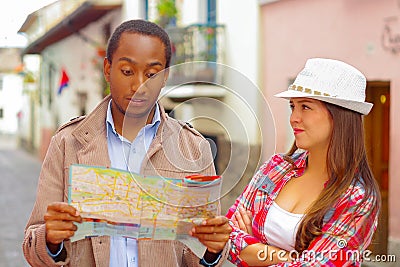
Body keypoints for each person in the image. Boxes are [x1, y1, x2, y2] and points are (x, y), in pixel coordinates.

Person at [22, 19, 231, 267]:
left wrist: (212, 250)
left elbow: (198, 255)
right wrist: (50, 240)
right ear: (107, 69)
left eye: (152, 74)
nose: (139, 86)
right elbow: (32, 247)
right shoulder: (67, 144)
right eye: (127, 71)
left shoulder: (194, 149)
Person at [225, 58, 380, 266]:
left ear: (340, 116)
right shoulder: (277, 168)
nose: (293, 118)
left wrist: (251, 249)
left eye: (306, 107)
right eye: (292, 106)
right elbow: (225, 235)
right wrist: (290, 257)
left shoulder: (357, 199)